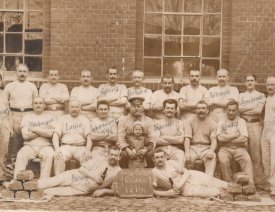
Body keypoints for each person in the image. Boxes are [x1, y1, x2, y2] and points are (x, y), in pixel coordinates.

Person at [38, 146, 121, 197]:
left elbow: (117, 189)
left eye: (116, 155)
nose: (113, 157)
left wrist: (103, 191)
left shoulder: (119, 171)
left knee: (48, 191)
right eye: (111, 154)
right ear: (108, 155)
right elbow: (82, 169)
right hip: (75, 176)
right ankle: (28, 186)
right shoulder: (99, 159)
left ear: (119, 157)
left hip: (83, 189)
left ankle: (33, 192)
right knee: (47, 182)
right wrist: (94, 177)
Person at [152, 149, 228, 198]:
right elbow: (152, 191)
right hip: (185, 189)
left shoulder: (171, 163)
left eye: (161, 157)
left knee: (217, 182)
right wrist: (166, 193)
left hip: (192, 176)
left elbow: (186, 172)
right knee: (213, 193)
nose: (160, 159)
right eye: (157, 157)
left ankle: (235, 188)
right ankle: (226, 192)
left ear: (165, 157)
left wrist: (180, 183)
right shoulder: (154, 172)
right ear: (153, 159)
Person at [4, 64, 38, 169]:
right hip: (14, 114)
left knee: (28, 137)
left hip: (29, 114)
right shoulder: (9, 86)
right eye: (20, 71)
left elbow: (36, 102)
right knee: (15, 138)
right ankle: (14, 162)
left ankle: (27, 162)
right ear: (16, 73)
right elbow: (5, 104)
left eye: (24, 71)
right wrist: (8, 118)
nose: (22, 74)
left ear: (28, 73)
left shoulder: (32, 86)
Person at [14, 97, 55, 179]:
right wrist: (43, 131)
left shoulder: (50, 117)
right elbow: (25, 135)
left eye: (40, 103)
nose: (38, 105)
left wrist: (33, 129)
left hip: (46, 146)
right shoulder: (27, 117)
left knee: (50, 155)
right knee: (21, 154)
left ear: (44, 105)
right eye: (35, 103)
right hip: (29, 146)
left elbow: (50, 133)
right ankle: (16, 181)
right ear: (32, 105)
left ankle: (43, 182)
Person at [239, 74, 267, 191]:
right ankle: (245, 181)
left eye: (252, 80)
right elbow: (238, 109)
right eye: (247, 80)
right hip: (243, 124)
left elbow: (258, 111)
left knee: (256, 154)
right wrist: (251, 107)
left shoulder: (260, 95)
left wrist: (245, 108)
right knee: (243, 153)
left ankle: (259, 182)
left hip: (255, 125)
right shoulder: (241, 95)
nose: (249, 82)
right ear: (245, 83)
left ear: (256, 82)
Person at [217, 100, 255, 188]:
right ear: (226, 110)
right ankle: (228, 185)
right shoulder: (221, 121)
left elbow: (244, 138)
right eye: (229, 110)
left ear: (237, 111)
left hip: (240, 148)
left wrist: (227, 138)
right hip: (225, 148)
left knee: (246, 159)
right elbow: (219, 138)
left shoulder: (241, 121)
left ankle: (250, 185)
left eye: (233, 110)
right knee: (223, 160)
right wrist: (235, 135)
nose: (231, 112)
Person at [53, 98, 92, 175]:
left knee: (87, 157)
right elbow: (55, 135)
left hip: (80, 147)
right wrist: (57, 149)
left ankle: (83, 183)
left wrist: (88, 150)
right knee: (58, 157)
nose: (74, 109)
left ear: (80, 109)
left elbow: (89, 138)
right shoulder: (62, 119)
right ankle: (58, 181)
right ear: (68, 108)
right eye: (72, 107)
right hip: (65, 147)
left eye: (76, 107)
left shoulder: (85, 120)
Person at [118, 96, 155, 168]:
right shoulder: (123, 120)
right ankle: (124, 174)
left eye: (139, 106)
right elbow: (121, 138)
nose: (136, 108)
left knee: (151, 154)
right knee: (123, 154)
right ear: (130, 108)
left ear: (143, 108)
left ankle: (150, 175)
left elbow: (152, 138)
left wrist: (146, 149)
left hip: (144, 147)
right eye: (134, 106)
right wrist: (128, 150)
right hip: (129, 148)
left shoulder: (149, 120)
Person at [184, 101, 217, 176]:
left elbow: (214, 140)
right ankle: (189, 183)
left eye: (203, 108)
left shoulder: (213, 123)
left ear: (207, 110)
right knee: (186, 160)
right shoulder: (189, 121)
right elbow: (187, 138)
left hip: (206, 148)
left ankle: (208, 181)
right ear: (196, 110)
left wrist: (211, 151)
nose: (201, 110)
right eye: (198, 108)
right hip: (192, 147)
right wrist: (187, 152)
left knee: (212, 157)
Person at [154, 99, 185, 168]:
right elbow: (157, 140)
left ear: (175, 110)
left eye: (172, 108)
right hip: (161, 150)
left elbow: (181, 140)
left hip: (175, 150)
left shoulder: (179, 123)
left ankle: (179, 177)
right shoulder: (157, 123)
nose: (169, 110)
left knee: (180, 155)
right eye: (167, 108)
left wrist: (165, 137)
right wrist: (174, 140)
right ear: (164, 109)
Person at [261, 76, 275, 195]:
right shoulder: (267, 98)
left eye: (273, 85)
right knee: (265, 158)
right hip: (266, 128)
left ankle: (274, 186)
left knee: (273, 159)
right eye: (268, 84)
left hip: (274, 129)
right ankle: (270, 183)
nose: (270, 87)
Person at [0, 74, 12, 180]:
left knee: (4, 147)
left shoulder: (4, 94)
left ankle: (1, 173)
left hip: (4, 121)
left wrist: (10, 126)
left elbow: (9, 111)